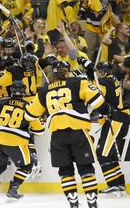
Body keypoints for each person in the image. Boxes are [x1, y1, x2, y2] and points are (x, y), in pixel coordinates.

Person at [24, 60, 114, 208]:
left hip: (57, 137)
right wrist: (108, 111)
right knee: (86, 168)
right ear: (67, 71)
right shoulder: (77, 82)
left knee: (65, 171)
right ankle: (92, 203)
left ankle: (73, 203)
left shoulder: (44, 90)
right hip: (78, 132)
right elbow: (98, 101)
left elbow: (29, 115)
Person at [0, 80, 45, 202]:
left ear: (11, 90)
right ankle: (13, 190)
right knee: (26, 165)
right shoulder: (29, 106)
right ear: (24, 92)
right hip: (16, 141)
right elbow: (40, 131)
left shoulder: (0, 103)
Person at [93, 61, 130, 197]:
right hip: (120, 119)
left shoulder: (103, 82)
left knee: (102, 154)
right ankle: (120, 184)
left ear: (102, 72)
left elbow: (94, 96)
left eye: (98, 72)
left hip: (115, 120)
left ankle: (113, 185)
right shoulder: (113, 80)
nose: (97, 74)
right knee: (111, 155)